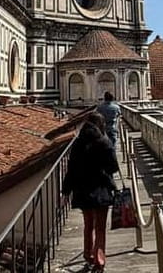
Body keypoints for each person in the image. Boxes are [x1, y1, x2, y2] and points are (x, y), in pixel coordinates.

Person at [62, 111, 119, 271]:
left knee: (88, 225)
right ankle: (99, 260)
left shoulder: (78, 142)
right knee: (100, 227)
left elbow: (71, 169)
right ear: (101, 125)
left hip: (83, 190)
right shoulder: (104, 142)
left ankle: (88, 255)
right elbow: (113, 167)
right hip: (101, 190)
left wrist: (65, 191)